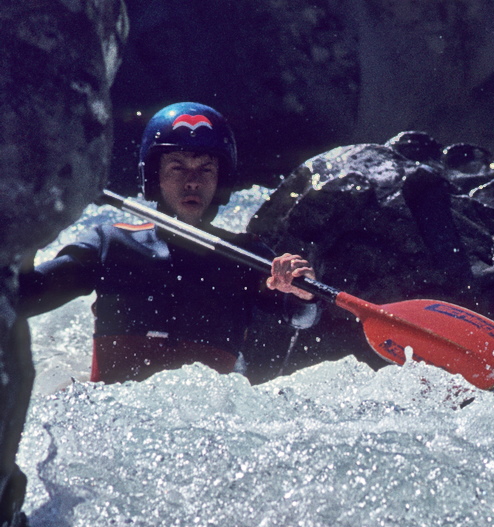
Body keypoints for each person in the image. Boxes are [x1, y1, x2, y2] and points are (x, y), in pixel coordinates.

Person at [18, 102, 316, 384]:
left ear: (220, 180)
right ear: (154, 175)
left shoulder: (246, 257)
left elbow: (302, 317)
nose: (192, 181)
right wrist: (24, 236)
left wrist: (303, 291)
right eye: (177, 167)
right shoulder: (110, 245)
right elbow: (22, 298)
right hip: (110, 419)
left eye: (206, 169)